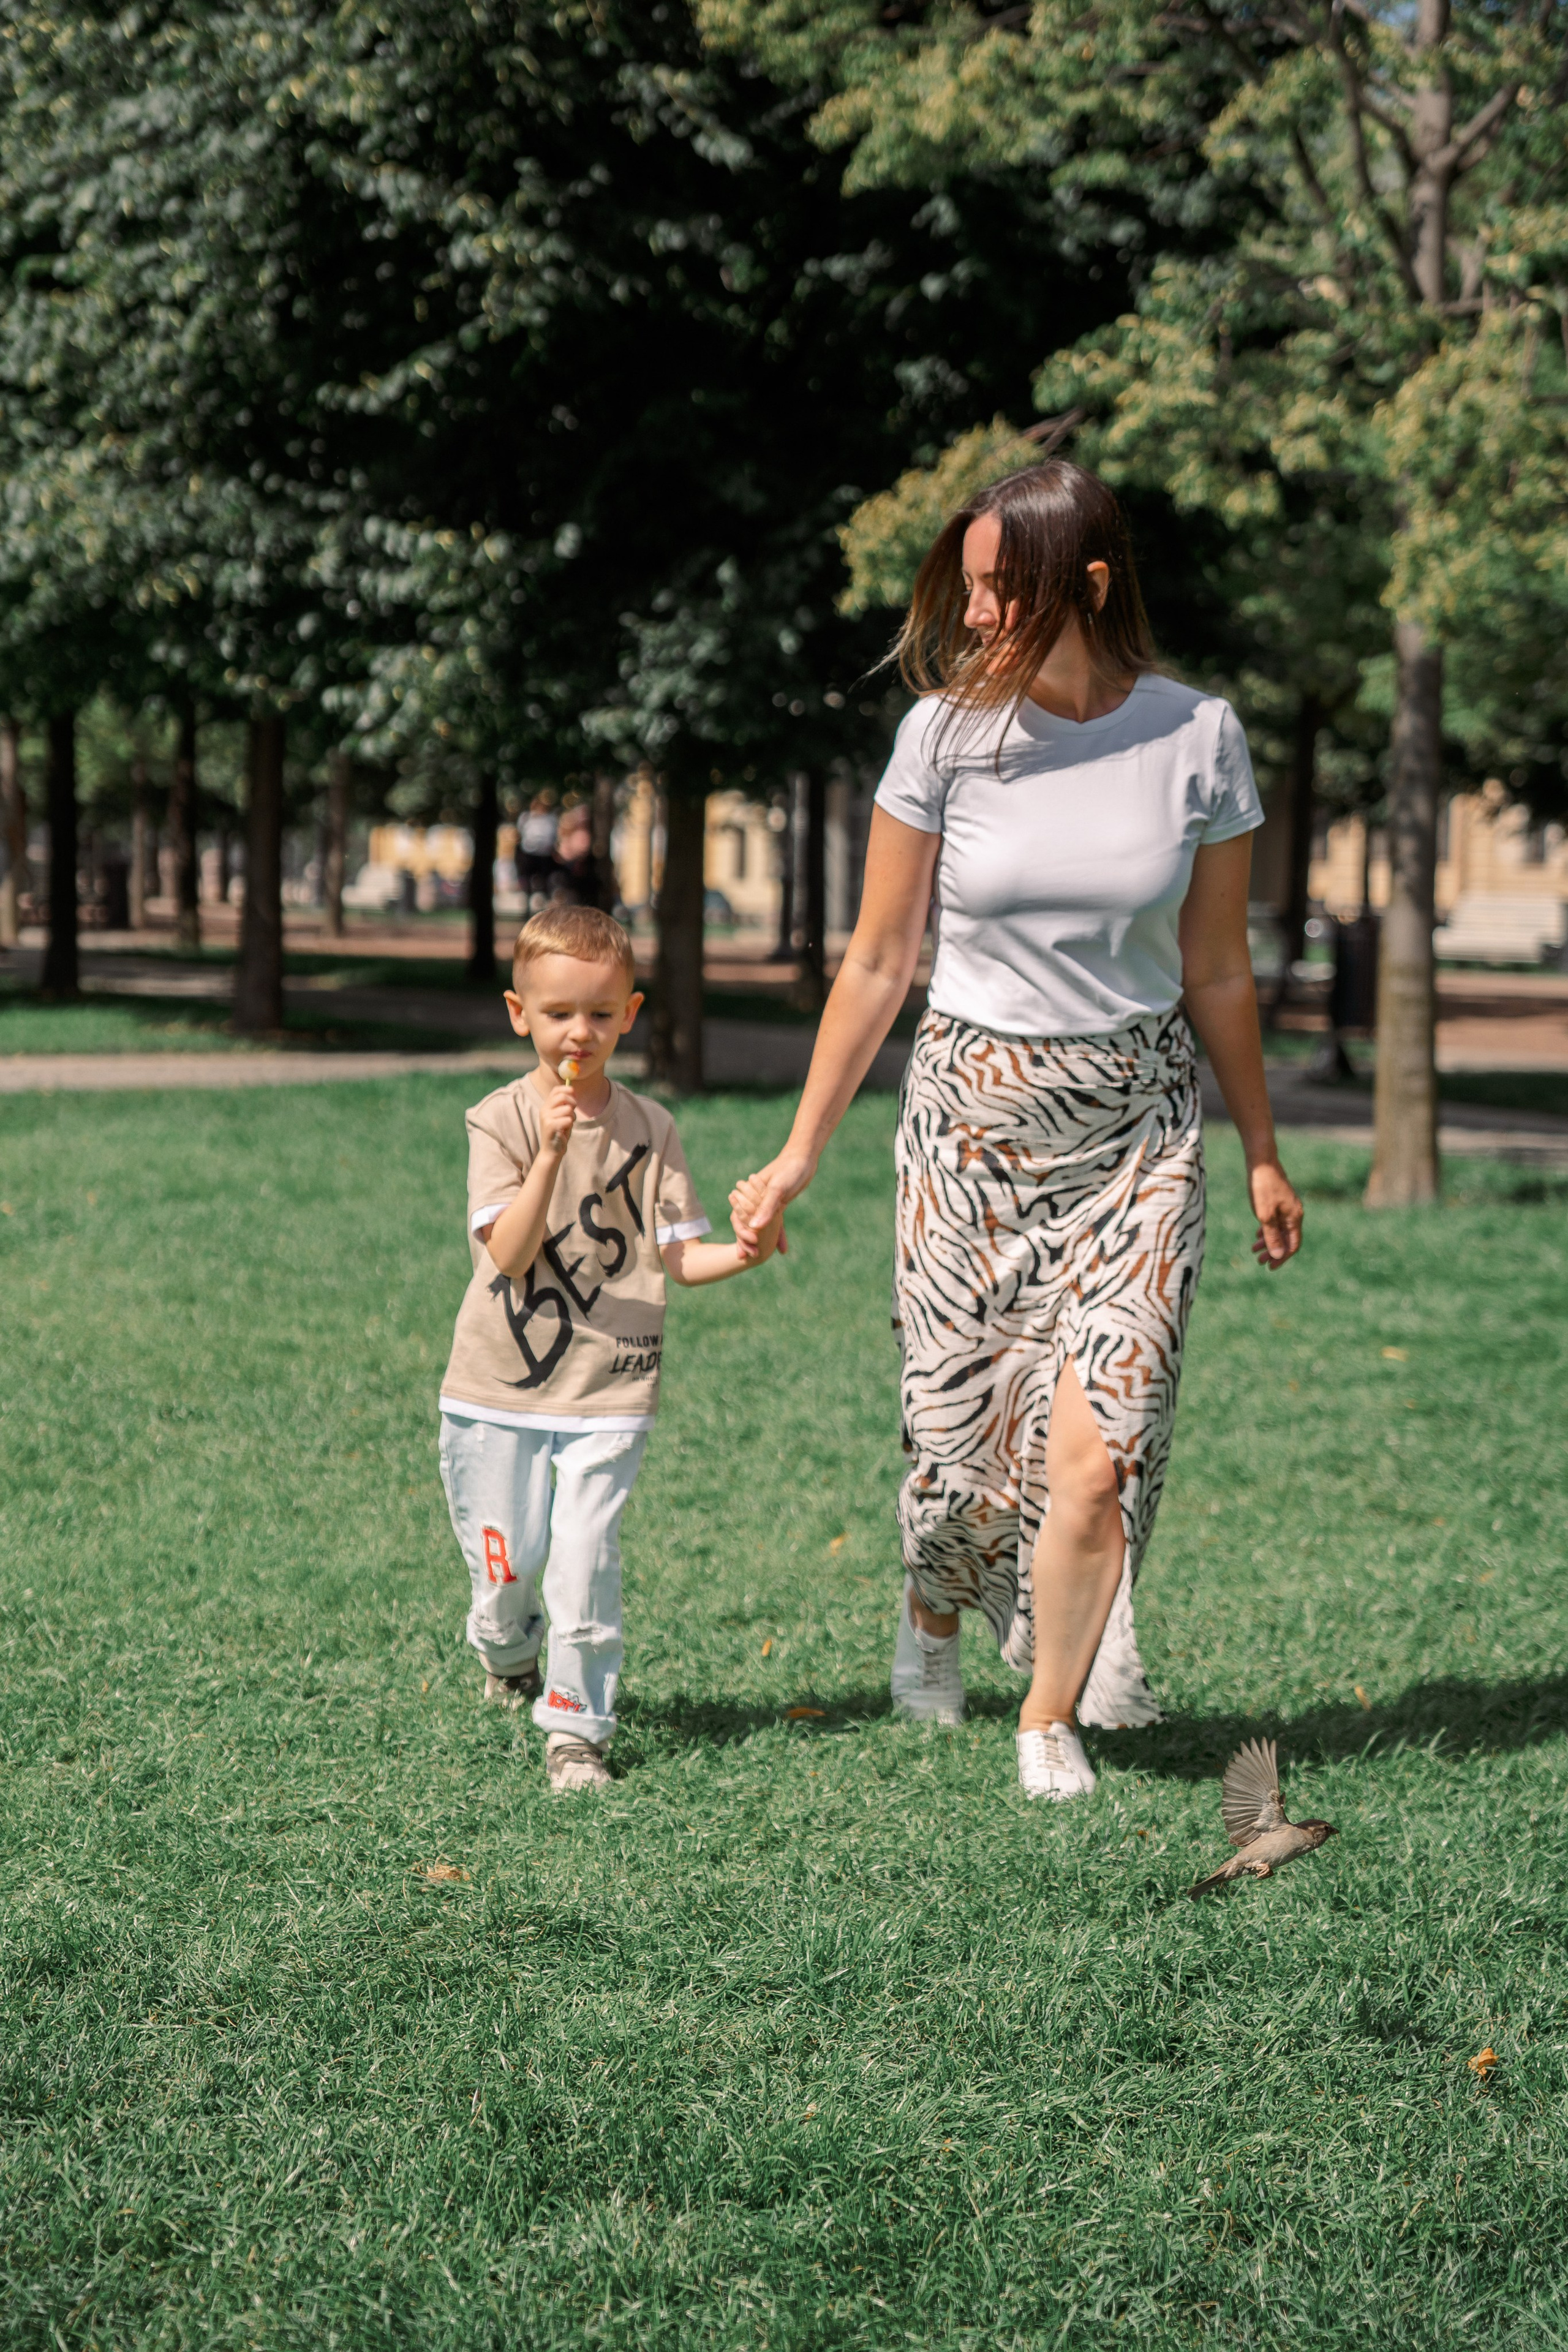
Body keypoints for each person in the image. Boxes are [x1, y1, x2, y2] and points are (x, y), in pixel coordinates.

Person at [731, 459, 1302, 1802]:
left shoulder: (1196, 735)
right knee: (956, 1455)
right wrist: (800, 1149)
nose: (976, 613)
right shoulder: (940, 735)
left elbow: (1217, 969)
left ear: (1086, 586)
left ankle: (1045, 1712)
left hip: (1137, 1136)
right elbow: (878, 962)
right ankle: (930, 1613)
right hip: (968, 1135)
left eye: (1002, 587)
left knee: (1101, 1447)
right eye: (971, 585)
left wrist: (1260, 1147)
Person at [437, 904, 783, 1792]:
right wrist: (551, 1155)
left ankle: (576, 1732)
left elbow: (677, 1256)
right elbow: (508, 1256)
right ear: (521, 1015)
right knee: (505, 1565)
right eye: (558, 1015)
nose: (578, 1034)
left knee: (586, 1558)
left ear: (630, 1014)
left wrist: (744, 1251)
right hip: (497, 1389)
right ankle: (504, 1647)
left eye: (599, 1013)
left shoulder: (651, 1128)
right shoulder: (500, 1120)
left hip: (610, 1388)